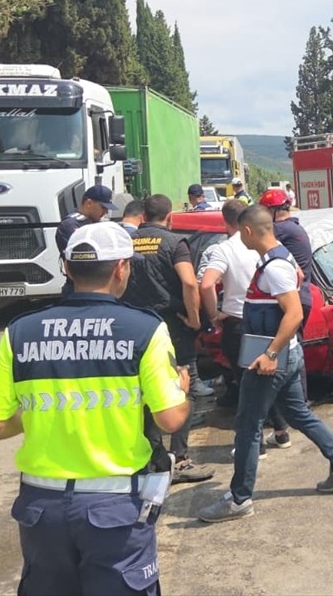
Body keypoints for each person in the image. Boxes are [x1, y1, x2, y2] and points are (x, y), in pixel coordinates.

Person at [0, 223, 190, 595]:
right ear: (123, 268)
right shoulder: (145, 330)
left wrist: (41, 415)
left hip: (41, 509)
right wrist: (182, 391)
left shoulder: (20, 331)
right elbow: (169, 419)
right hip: (116, 508)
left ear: (66, 268)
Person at [197, 206, 333, 523]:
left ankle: (240, 498)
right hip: (282, 353)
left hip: (271, 358)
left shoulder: (274, 267)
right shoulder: (278, 260)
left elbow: (295, 314)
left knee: (247, 426)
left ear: (247, 231)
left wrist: (271, 354)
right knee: (299, 414)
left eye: (239, 234)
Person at [121, 194, 215, 483]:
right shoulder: (175, 243)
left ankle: (154, 458)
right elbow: (189, 282)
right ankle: (181, 459)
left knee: (143, 392)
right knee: (181, 388)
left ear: (142, 216)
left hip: (135, 326)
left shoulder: (127, 242)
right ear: (170, 217)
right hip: (172, 326)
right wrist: (195, 318)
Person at [258, 187, 316, 451]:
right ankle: (296, 404)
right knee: (294, 349)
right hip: (299, 295)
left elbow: (258, 238)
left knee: (286, 351)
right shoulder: (295, 228)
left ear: (272, 211)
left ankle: (293, 407)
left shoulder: (282, 231)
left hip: (291, 297)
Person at [198, 200, 256, 412]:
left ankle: (252, 438)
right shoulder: (263, 242)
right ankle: (280, 430)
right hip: (266, 321)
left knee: (246, 383)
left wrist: (214, 316)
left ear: (226, 221)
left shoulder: (225, 249)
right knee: (266, 379)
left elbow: (205, 285)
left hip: (237, 323)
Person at [56, 185, 118, 296]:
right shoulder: (70, 225)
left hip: (97, 286)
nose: (105, 212)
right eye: (103, 207)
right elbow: (83, 259)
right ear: (89, 203)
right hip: (77, 288)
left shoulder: (92, 223)